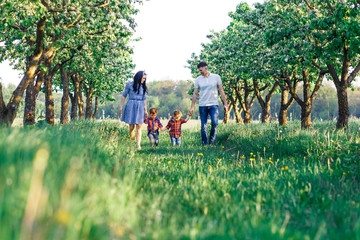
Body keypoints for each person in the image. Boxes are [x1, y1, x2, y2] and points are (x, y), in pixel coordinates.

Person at [189, 62, 228, 146]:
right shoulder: (198, 79)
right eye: (199, 71)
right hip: (202, 105)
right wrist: (192, 106)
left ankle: (211, 142)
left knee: (214, 123)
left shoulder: (216, 77)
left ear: (206, 68)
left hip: (214, 104)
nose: (200, 72)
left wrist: (225, 104)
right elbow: (195, 93)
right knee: (203, 126)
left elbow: (221, 91)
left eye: (201, 70)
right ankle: (204, 144)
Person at [119, 71, 148, 150]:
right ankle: (132, 141)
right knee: (131, 126)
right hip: (131, 105)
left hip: (140, 106)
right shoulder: (129, 85)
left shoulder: (143, 86)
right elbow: (124, 96)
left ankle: (138, 145)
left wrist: (145, 110)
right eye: (143, 78)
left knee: (139, 126)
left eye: (145, 78)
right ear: (139, 77)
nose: (144, 80)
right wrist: (121, 107)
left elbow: (144, 99)